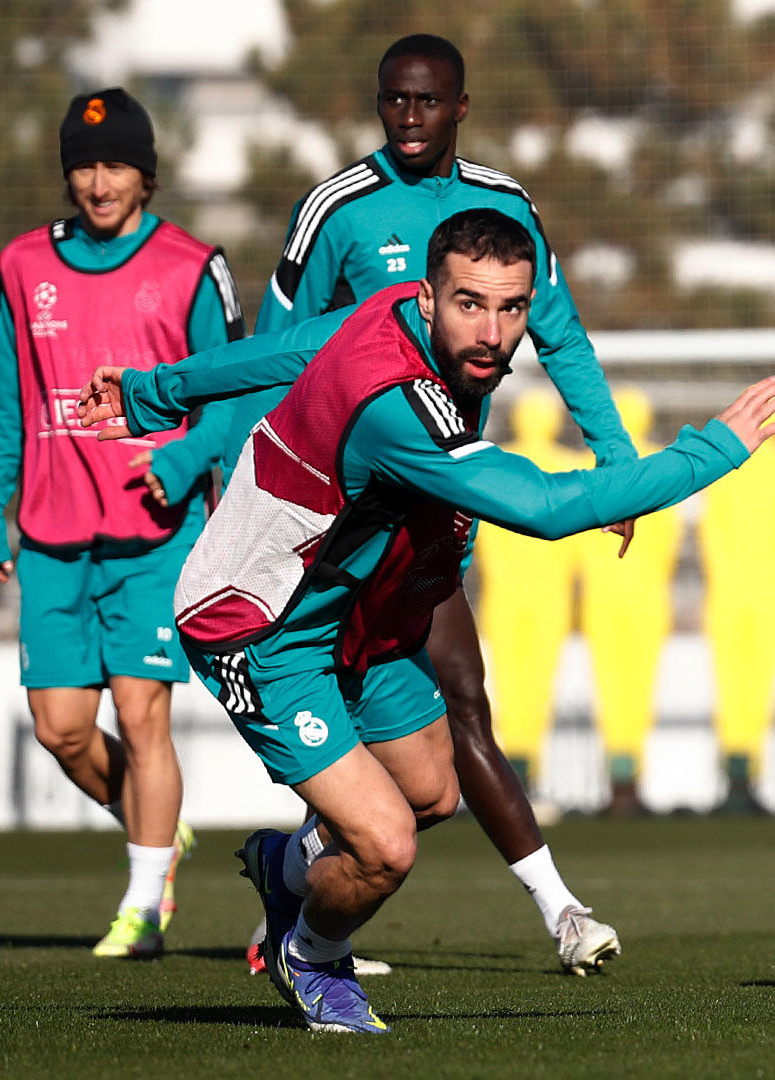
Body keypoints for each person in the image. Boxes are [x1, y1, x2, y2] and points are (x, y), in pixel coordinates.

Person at [79, 209, 775, 1034]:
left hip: (348, 609)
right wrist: (713, 452)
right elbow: (542, 507)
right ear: (427, 298)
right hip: (257, 623)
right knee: (385, 846)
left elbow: (290, 349)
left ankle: (284, 866)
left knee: (431, 791)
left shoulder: (389, 312)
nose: (492, 332)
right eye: (469, 304)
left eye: (512, 308)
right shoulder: (398, 407)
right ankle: (310, 955)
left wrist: (153, 391)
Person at [184, 32, 639, 975]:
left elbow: (562, 335)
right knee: (401, 753)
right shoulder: (336, 208)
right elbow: (279, 349)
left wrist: (616, 455)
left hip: (441, 510)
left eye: (428, 102)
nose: (409, 117)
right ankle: (346, 913)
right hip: (337, 525)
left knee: (454, 728)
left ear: (461, 107)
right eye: (395, 100)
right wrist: (240, 476)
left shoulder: (505, 208)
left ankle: (306, 873)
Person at [0, 87, 241, 959]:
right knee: (61, 729)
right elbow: (9, 396)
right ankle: (153, 832)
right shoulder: (21, 266)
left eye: (115, 163)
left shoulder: (192, 266)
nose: (97, 181)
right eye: (82, 165)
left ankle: (143, 906)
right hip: (52, 535)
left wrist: (182, 463)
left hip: (154, 536)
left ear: (146, 174)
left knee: (141, 715)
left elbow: (233, 392)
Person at [700, 412, 775, 815]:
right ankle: (742, 780)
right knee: (753, 688)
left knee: (733, 686)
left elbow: (711, 530)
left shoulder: (725, 465)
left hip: (731, 592)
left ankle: (736, 779)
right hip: (766, 592)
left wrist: (723, 577)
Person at [577, 389, 683, 817]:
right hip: (645, 599)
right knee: (636, 691)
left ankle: (619, 782)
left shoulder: (589, 469)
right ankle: (628, 782)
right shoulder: (665, 467)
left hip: (603, 599)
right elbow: (673, 540)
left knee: (611, 689)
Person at [477, 391, 584, 806]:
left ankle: (508, 772)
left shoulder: (497, 464)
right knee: (536, 686)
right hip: (548, 597)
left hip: (504, 594)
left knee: (502, 684)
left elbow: (480, 529)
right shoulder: (568, 465)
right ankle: (525, 772)